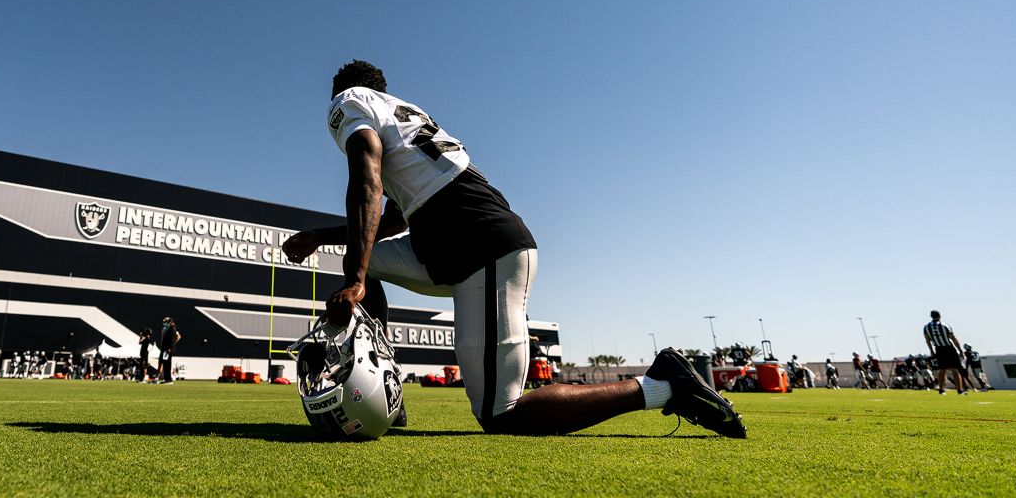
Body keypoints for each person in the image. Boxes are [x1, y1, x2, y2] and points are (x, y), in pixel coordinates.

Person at [282, 60, 745, 437]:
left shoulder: (349, 101)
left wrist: (358, 282)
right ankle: (387, 385)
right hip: (452, 246)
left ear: (343, 92)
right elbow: (396, 219)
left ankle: (661, 386)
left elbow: (367, 181)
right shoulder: (405, 115)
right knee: (361, 259)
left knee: (501, 415)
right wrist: (324, 241)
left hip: (481, 252)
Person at [923, 310, 966, 395]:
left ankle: (941, 389)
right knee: (955, 370)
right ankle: (959, 390)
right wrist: (960, 350)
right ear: (939, 316)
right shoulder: (945, 325)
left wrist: (931, 351)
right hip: (949, 348)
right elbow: (953, 338)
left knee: (942, 370)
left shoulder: (926, 327)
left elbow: (927, 340)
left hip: (939, 349)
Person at [158, 317, 180, 384]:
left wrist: (170, 348)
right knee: (165, 364)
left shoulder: (172, 328)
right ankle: (166, 379)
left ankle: (169, 379)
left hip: (168, 349)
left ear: (169, 322)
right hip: (165, 348)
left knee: (168, 364)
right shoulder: (168, 328)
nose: (165, 323)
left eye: (166, 322)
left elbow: (172, 339)